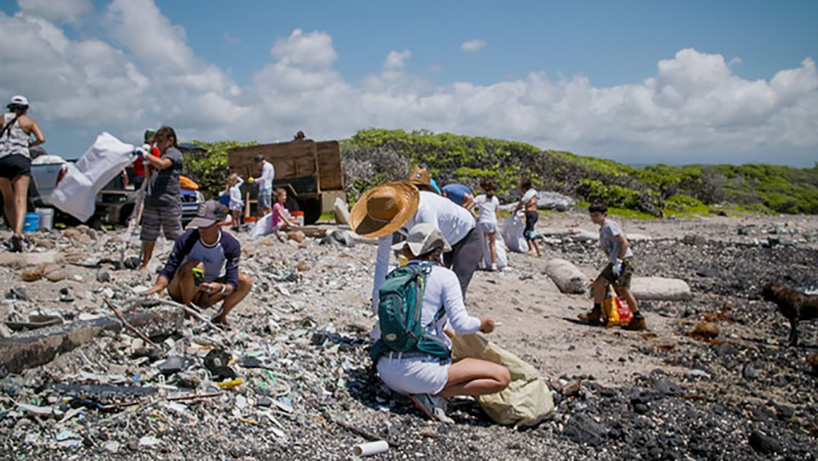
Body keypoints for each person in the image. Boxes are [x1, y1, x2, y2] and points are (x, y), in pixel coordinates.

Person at [375, 223, 510, 422]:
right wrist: (483, 323)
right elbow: (462, 324)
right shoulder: (445, 276)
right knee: (501, 377)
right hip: (419, 374)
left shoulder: (395, 275)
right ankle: (434, 394)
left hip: (386, 370)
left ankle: (419, 390)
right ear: (438, 251)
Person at [350, 181, 482, 312]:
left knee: (453, 288)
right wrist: (377, 301)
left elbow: (436, 251)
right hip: (445, 234)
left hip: (466, 235)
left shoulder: (424, 212)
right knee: (423, 288)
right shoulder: (385, 214)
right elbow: (382, 260)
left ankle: (452, 326)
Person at [144, 200, 253, 326]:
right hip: (181, 287)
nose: (201, 229)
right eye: (200, 224)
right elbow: (170, 267)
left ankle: (220, 316)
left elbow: (232, 281)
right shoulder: (188, 238)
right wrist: (160, 285)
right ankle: (187, 309)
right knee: (196, 266)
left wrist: (220, 288)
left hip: (206, 291)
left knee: (245, 281)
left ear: (219, 224)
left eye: (206, 225)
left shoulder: (230, 245)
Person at [579, 202, 646, 330]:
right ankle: (596, 311)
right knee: (599, 283)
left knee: (623, 289)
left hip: (625, 260)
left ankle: (638, 318)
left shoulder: (611, 226)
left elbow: (624, 243)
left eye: (597, 215)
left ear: (604, 215)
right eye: (592, 215)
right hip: (614, 261)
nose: (594, 218)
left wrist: (619, 262)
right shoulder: (602, 229)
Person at [0, 95, 45, 252]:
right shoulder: (29, 122)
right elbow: (41, 138)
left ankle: (13, 230)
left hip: (2, 160)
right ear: (25, 108)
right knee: (21, 198)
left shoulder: (2, 119)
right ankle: (18, 233)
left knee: (8, 199)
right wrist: (31, 144)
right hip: (20, 159)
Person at [139, 126, 183, 270]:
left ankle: (182, 262)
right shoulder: (160, 157)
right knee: (148, 234)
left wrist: (146, 155)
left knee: (175, 234)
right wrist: (146, 163)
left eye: (160, 141)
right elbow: (149, 177)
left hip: (168, 201)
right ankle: (145, 263)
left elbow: (163, 165)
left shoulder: (174, 153)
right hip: (153, 201)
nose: (158, 145)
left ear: (170, 140)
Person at [473, 178, 501, 271]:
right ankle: (493, 265)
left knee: (482, 243)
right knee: (492, 243)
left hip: (482, 221)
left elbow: (470, 205)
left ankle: (480, 263)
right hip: (492, 221)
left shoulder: (480, 198)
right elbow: (496, 212)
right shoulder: (495, 199)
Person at [514, 177, 541, 257]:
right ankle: (530, 250)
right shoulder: (534, 192)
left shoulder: (528, 194)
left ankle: (537, 251)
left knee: (530, 233)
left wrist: (516, 210)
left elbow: (522, 202)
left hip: (530, 213)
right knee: (526, 233)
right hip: (534, 213)